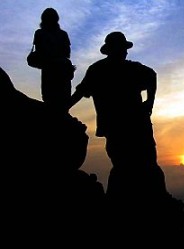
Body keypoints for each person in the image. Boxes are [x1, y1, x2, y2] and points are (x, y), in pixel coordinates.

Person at [68, 31, 167, 202]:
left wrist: (62, 109)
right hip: (134, 127)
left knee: (127, 168)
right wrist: (150, 102)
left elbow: (80, 93)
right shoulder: (128, 69)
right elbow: (152, 75)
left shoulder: (98, 70)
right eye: (123, 48)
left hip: (122, 128)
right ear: (116, 49)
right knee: (142, 167)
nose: (126, 52)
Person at [30, 7, 75, 113]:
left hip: (50, 72)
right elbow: (67, 53)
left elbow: (39, 52)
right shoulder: (63, 34)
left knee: (50, 102)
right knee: (62, 105)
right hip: (61, 71)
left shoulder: (39, 33)